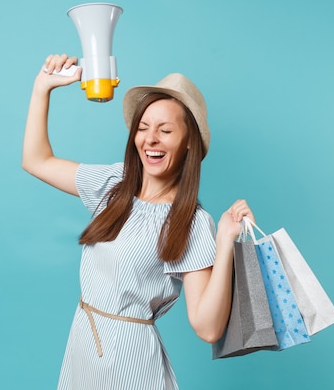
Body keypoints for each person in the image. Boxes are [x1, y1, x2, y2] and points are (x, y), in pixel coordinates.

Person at [22, 53, 255, 390]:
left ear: (188, 141)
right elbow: (36, 160)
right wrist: (42, 87)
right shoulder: (112, 185)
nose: (151, 140)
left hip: (131, 362)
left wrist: (223, 243)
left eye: (165, 130)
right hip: (83, 348)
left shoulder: (190, 222)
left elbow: (207, 328)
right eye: (143, 128)